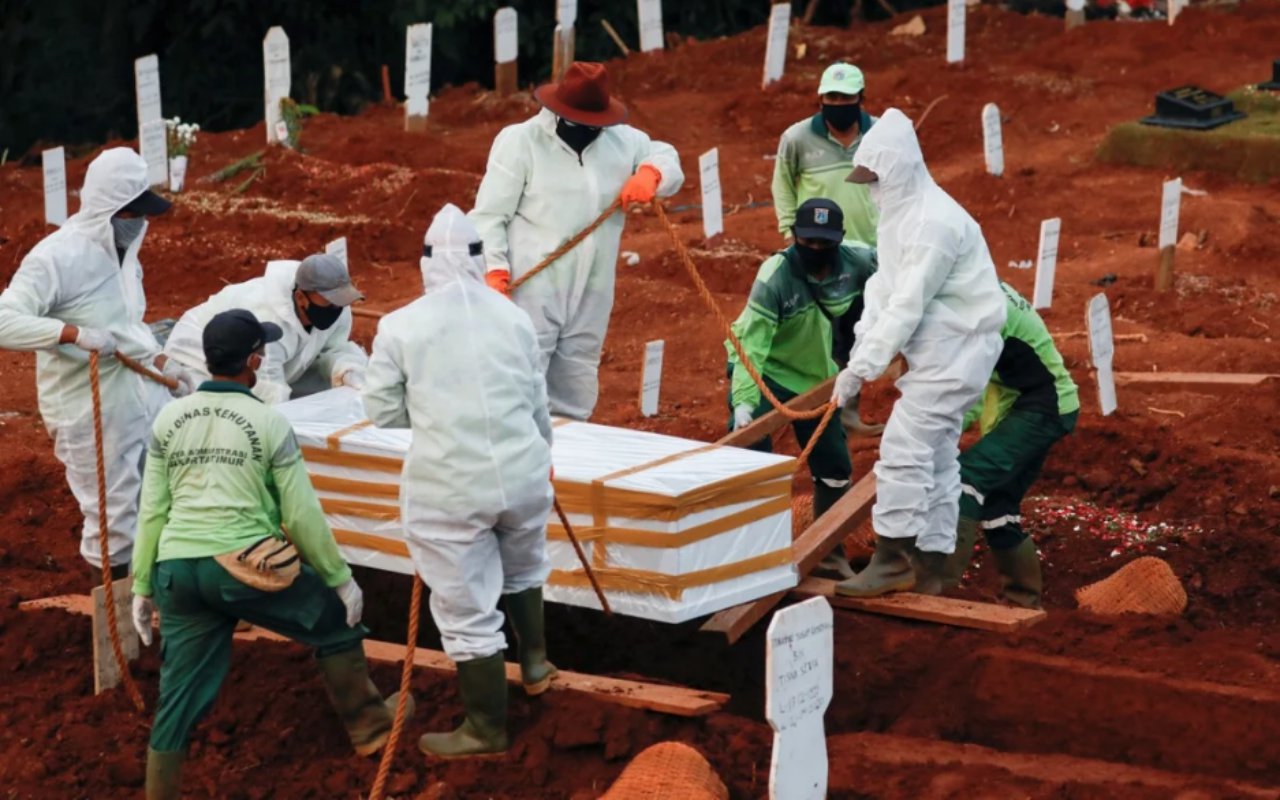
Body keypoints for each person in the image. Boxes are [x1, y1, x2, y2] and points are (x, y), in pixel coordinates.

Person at [131, 308, 402, 799]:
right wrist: (339, 577)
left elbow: (151, 508)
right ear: (253, 360)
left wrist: (142, 584)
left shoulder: (169, 417)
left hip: (177, 571)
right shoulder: (267, 421)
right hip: (239, 565)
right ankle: (373, 732)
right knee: (334, 621)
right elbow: (300, 514)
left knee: (176, 698)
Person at [363, 205, 556, 758]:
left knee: (469, 611)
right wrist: (542, 456)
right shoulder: (513, 317)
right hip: (524, 473)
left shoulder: (401, 325)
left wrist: (429, 414)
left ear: (426, 263)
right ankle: (537, 663)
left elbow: (379, 409)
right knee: (523, 568)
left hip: (450, 485)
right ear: (480, 260)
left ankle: (486, 730)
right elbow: (536, 402)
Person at [831, 108, 1007, 598]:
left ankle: (892, 559)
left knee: (904, 449)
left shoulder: (934, 222)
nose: (872, 190)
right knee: (936, 457)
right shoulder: (900, 217)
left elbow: (908, 304)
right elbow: (883, 290)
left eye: (876, 179)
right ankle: (932, 563)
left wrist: (864, 369)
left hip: (958, 350)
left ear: (900, 170)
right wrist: (858, 358)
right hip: (940, 349)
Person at [0, 147, 192, 578]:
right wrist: (70, 334)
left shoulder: (125, 255)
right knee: (113, 516)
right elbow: (3, 320)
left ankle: (160, 596)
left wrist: (163, 363)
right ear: (109, 210)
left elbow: (128, 325)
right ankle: (116, 621)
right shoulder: (57, 257)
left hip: (137, 396)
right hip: (88, 410)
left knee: (164, 495)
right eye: (133, 214)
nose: (141, 223)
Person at [470, 61, 684, 421]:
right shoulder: (522, 142)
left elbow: (665, 156)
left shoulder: (623, 141)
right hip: (531, 286)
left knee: (576, 378)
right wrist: (493, 269)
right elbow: (489, 216)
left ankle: (566, 465)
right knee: (520, 375)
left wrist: (651, 173)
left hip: (592, 288)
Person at [727, 199, 878, 575]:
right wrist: (744, 402)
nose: (814, 251)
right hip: (765, 371)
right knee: (753, 463)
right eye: (807, 242)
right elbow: (752, 347)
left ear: (840, 239)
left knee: (834, 466)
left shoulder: (860, 261)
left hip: (817, 376)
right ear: (794, 236)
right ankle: (755, 558)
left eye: (823, 244)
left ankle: (829, 555)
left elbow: (904, 273)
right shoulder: (775, 276)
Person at [937, 283, 1079, 608]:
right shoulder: (983, 285)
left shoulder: (980, 304)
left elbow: (968, 380)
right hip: (1041, 404)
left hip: (1044, 406)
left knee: (966, 480)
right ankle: (1022, 599)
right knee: (999, 505)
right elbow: (978, 384)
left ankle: (938, 588)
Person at [163, 253, 367, 405]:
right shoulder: (267, 320)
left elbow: (334, 349)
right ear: (301, 298)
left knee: (329, 392)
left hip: (275, 364)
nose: (336, 308)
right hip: (203, 357)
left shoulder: (339, 309)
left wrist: (348, 371)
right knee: (219, 410)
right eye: (330, 302)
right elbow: (267, 391)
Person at [772, 62, 878, 247]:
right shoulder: (797, 138)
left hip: (874, 246)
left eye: (846, 97)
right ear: (821, 100)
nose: (839, 103)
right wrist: (789, 232)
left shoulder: (880, 134)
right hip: (819, 249)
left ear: (861, 98)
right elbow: (782, 184)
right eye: (832, 97)